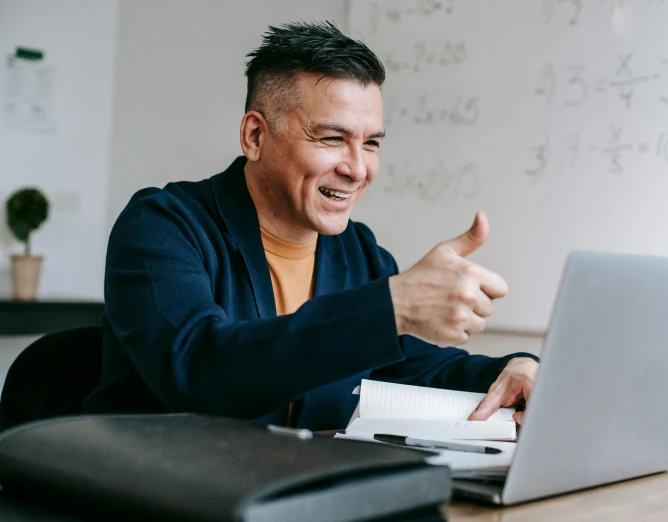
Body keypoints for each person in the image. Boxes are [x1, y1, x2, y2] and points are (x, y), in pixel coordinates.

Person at [83, 22, 539, 431]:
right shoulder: (161, 226)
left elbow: (409, 366)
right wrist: (391, 306)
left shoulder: (359, 251)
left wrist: (512, 369)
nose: (358, 169)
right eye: (333, 139)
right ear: (255, 136)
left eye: (372, 143)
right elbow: (199, 369)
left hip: (292, 492)